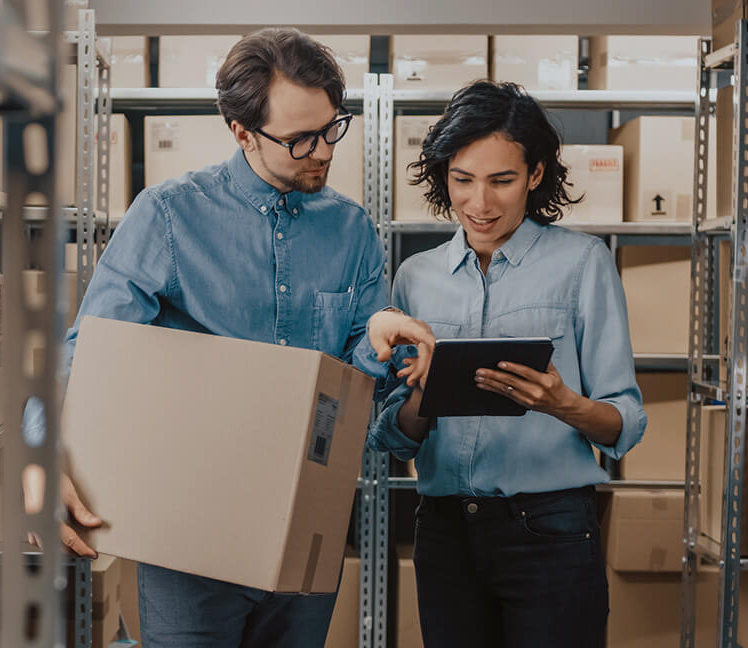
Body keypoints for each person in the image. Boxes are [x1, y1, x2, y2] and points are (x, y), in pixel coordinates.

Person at [50, 27, 436, 648]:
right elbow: (88, 354)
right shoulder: (170, 216)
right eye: (299, 139)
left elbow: (352, 389)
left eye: (331, 128)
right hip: (189, 534)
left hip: (306, 528)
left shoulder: (353, 231)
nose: (323, 151)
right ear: (241, 132)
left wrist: (377, 342)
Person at [369, 81, 647, 648]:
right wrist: (424, 392)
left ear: (536, 175)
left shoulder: (583, 263)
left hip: (552, 530)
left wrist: (562, 404)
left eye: (502, 180)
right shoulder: (414, 278)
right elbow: (395, 440)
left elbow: (626, 422)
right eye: (463, 180)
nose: (480, 204)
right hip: (445, 532)